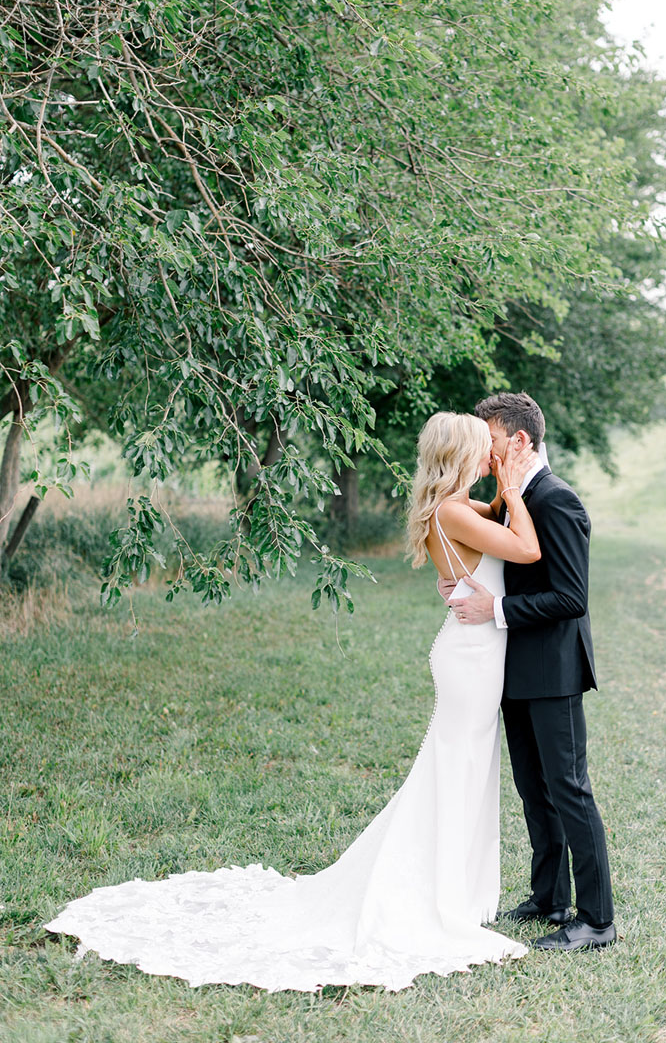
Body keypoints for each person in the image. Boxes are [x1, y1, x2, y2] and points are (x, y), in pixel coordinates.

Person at [45, 412, 541, 991]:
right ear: (461, 455)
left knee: (458, 769)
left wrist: (503, 496)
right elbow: (526, 549)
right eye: (484, 450)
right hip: (470, 660)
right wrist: (510, 488)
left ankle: (449, 889)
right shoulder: (457, 510)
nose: (491, 458)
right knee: (454, 770)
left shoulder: (451, 508)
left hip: (471, 653)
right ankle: (434, 895)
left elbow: (498, 535)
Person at [448, 392, 616, 952]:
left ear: (518, 441)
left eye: (489, 440)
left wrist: (493, 611)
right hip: (511, 668)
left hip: (553, 669)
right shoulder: (513, 497)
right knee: (532, 790)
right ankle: (549, 898)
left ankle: (596, 920)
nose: (484, 451)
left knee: (569, 789)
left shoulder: (557, 500)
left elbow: (570, 597)